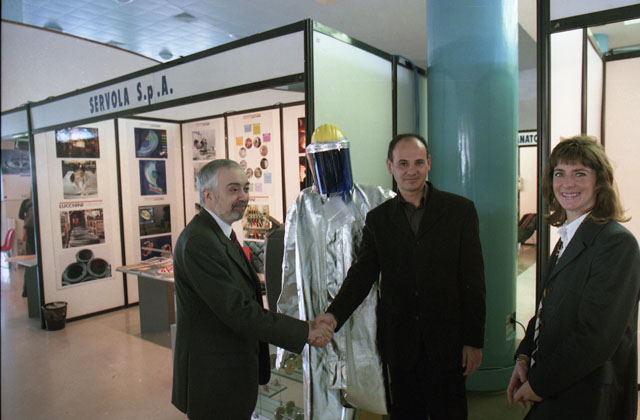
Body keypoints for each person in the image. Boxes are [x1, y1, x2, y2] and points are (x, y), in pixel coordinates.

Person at [316, 133, 486, 419]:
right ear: (390, 166)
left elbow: (474, 282)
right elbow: (362, 275)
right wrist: (333, 315)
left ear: (429, 163)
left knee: (450, 412)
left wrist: (474, 341)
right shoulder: (378, 219)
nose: (411, 171)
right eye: (403, 163)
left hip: (448, 342)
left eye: (418, 163)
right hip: (400, 344)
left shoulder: (460, 211)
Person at [171, 159, 333, 420]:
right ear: (207, 195)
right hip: (213, 381)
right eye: (233, 189)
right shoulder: (199, 241)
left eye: (245, 188)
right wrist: (305, 331)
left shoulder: (219, 235)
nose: (243, 197)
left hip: (230, 374)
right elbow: (239, 311)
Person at [507, 136, 640, 419]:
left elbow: (595, 337)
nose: (567, 184)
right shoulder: (568, 236)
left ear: (600, 182)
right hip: (555, 382)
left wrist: (539, 384)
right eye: (560, 174)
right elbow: (545, 308)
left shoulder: (616, 243)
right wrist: (524, 356)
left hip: (584, 395)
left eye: (580, 174)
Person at [277, 124, 394, 419]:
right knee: (323, 395)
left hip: (363, 316)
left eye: (334, 157)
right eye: (321, 159)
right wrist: (288, 331)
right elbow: (290, 270)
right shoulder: (303, 206)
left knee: (369, 388)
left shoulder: (375, 199)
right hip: (319, 320)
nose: (328, 167)